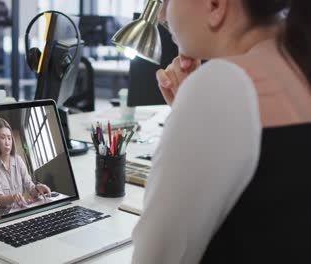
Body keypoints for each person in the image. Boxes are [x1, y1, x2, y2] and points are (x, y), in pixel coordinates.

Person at [132, 0, 311, 263]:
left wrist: (195, 105)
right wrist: (189, 114)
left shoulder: (224, 83)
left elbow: (156, 255)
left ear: (215, 6)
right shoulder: (297, 67)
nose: (161, 14)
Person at [0, 117, 51, 208]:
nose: (7, 143)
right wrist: (12, 197)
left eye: (9, 138)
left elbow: (30, 186)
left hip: (22, 209)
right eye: (3, 138)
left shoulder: (18, 160)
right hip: (7, 214)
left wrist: (37, 188)